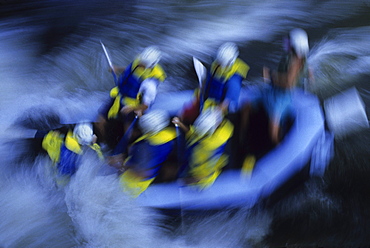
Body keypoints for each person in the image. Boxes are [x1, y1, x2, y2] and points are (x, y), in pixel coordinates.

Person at [96, 46, 167, 150]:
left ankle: (127, 149)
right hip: (118, 95)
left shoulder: (150, 84)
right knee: (100, 121)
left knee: (128, 131)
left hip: (132, 103)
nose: (140, 64)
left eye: (143, 64)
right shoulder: (139, 62)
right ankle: (103, 143)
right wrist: (118, 69)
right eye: (141, 62)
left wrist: (132, 108)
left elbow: (146, 105)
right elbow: (130, 70)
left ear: (150, 65)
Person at [112, 110, 177, 198]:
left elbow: (144, 172)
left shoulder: (148, 147)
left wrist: (122, 166)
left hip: (133, 184)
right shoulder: (167, 135)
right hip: (150, 172)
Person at [172, 108, 234, 190]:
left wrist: (184, 181)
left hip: (195, 183)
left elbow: (204, 176)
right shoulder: (224, 128)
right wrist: (180, 124)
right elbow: (194, 134)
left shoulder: (205, 148)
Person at [38, 122, 103, 185]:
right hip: (67, 183)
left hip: (57, 177)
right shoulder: (80, 154)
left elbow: (46, 142)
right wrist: (94, 145)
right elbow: (101, 161)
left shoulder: (64, 141)